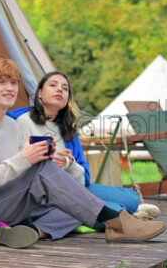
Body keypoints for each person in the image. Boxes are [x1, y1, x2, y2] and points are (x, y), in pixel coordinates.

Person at [0, 58, 166, 249]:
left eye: (13, 83)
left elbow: (22, 175)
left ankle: (26, 231)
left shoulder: (9, 123)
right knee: (62, 186)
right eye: (1, 82)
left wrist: (44, 162)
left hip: (13, 204)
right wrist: (26, 159)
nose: (9, 89)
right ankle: (117, 223)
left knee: (73, 201)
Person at [13, 71, 140, 230]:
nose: (60, 90)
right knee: (114, 210)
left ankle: (106, 216)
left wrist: (69, 164)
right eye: (53, 85)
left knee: (131, 199)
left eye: (65, 88)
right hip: (46, 193)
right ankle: (118, 218)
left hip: (75, 187)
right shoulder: (24, 122)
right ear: (39, 93)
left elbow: (82, 182)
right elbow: (22, 170)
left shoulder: (67, 130)